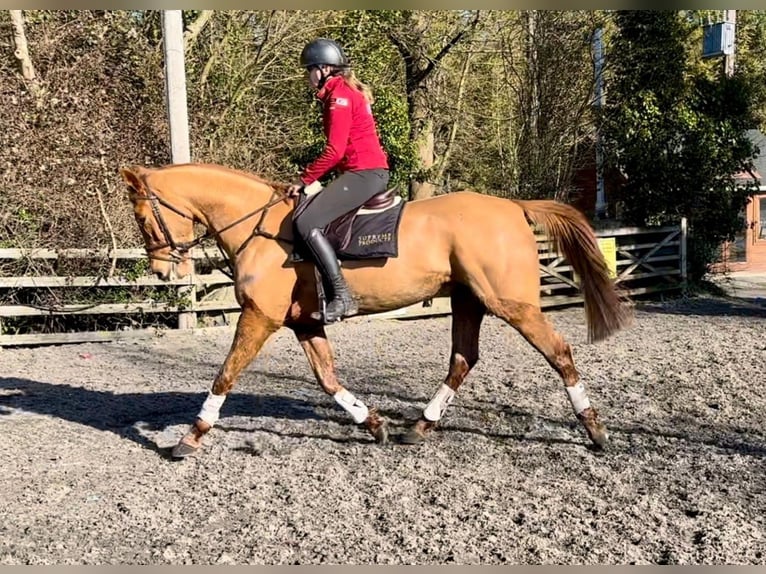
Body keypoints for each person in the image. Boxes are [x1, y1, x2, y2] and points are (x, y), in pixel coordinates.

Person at [289, 38, 390, 324]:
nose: (307, 76)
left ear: (322, 69)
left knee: (306, 222)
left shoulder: (339, 96)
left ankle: (342, 295)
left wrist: (304, 179)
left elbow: (334, 151)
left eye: (308, 69)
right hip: (360, 172)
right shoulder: (342, 91)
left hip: (364, 173)